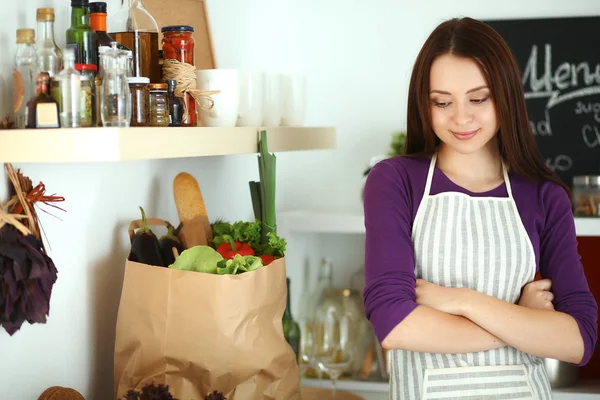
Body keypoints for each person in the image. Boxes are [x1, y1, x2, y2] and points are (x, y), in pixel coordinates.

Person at [362, 17, 598, 400]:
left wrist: (461, 301)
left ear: (504, 96)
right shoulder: (395, 182)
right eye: (442, 102)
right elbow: (394, 325)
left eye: (478, 98)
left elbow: (579, 340)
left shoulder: (543, 194)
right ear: (425, 104)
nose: (461, 117)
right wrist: (519, 318)